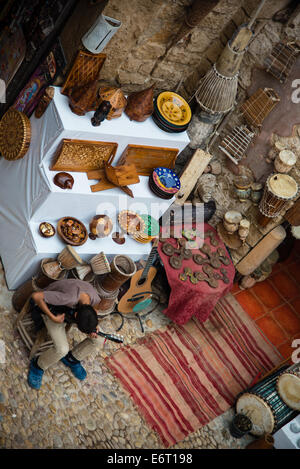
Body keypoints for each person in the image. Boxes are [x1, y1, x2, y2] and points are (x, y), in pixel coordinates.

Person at [27, 278, 103, 390]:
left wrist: (93, 326)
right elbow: (36, 296)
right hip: (53, 310)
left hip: (67, 312)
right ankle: (37, 365)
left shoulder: (93, 297)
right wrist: (53, 317)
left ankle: (72, 358)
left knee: (99, 339)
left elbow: (95, 309)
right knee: (62, 349)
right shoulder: (68, 298)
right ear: (76, 315)